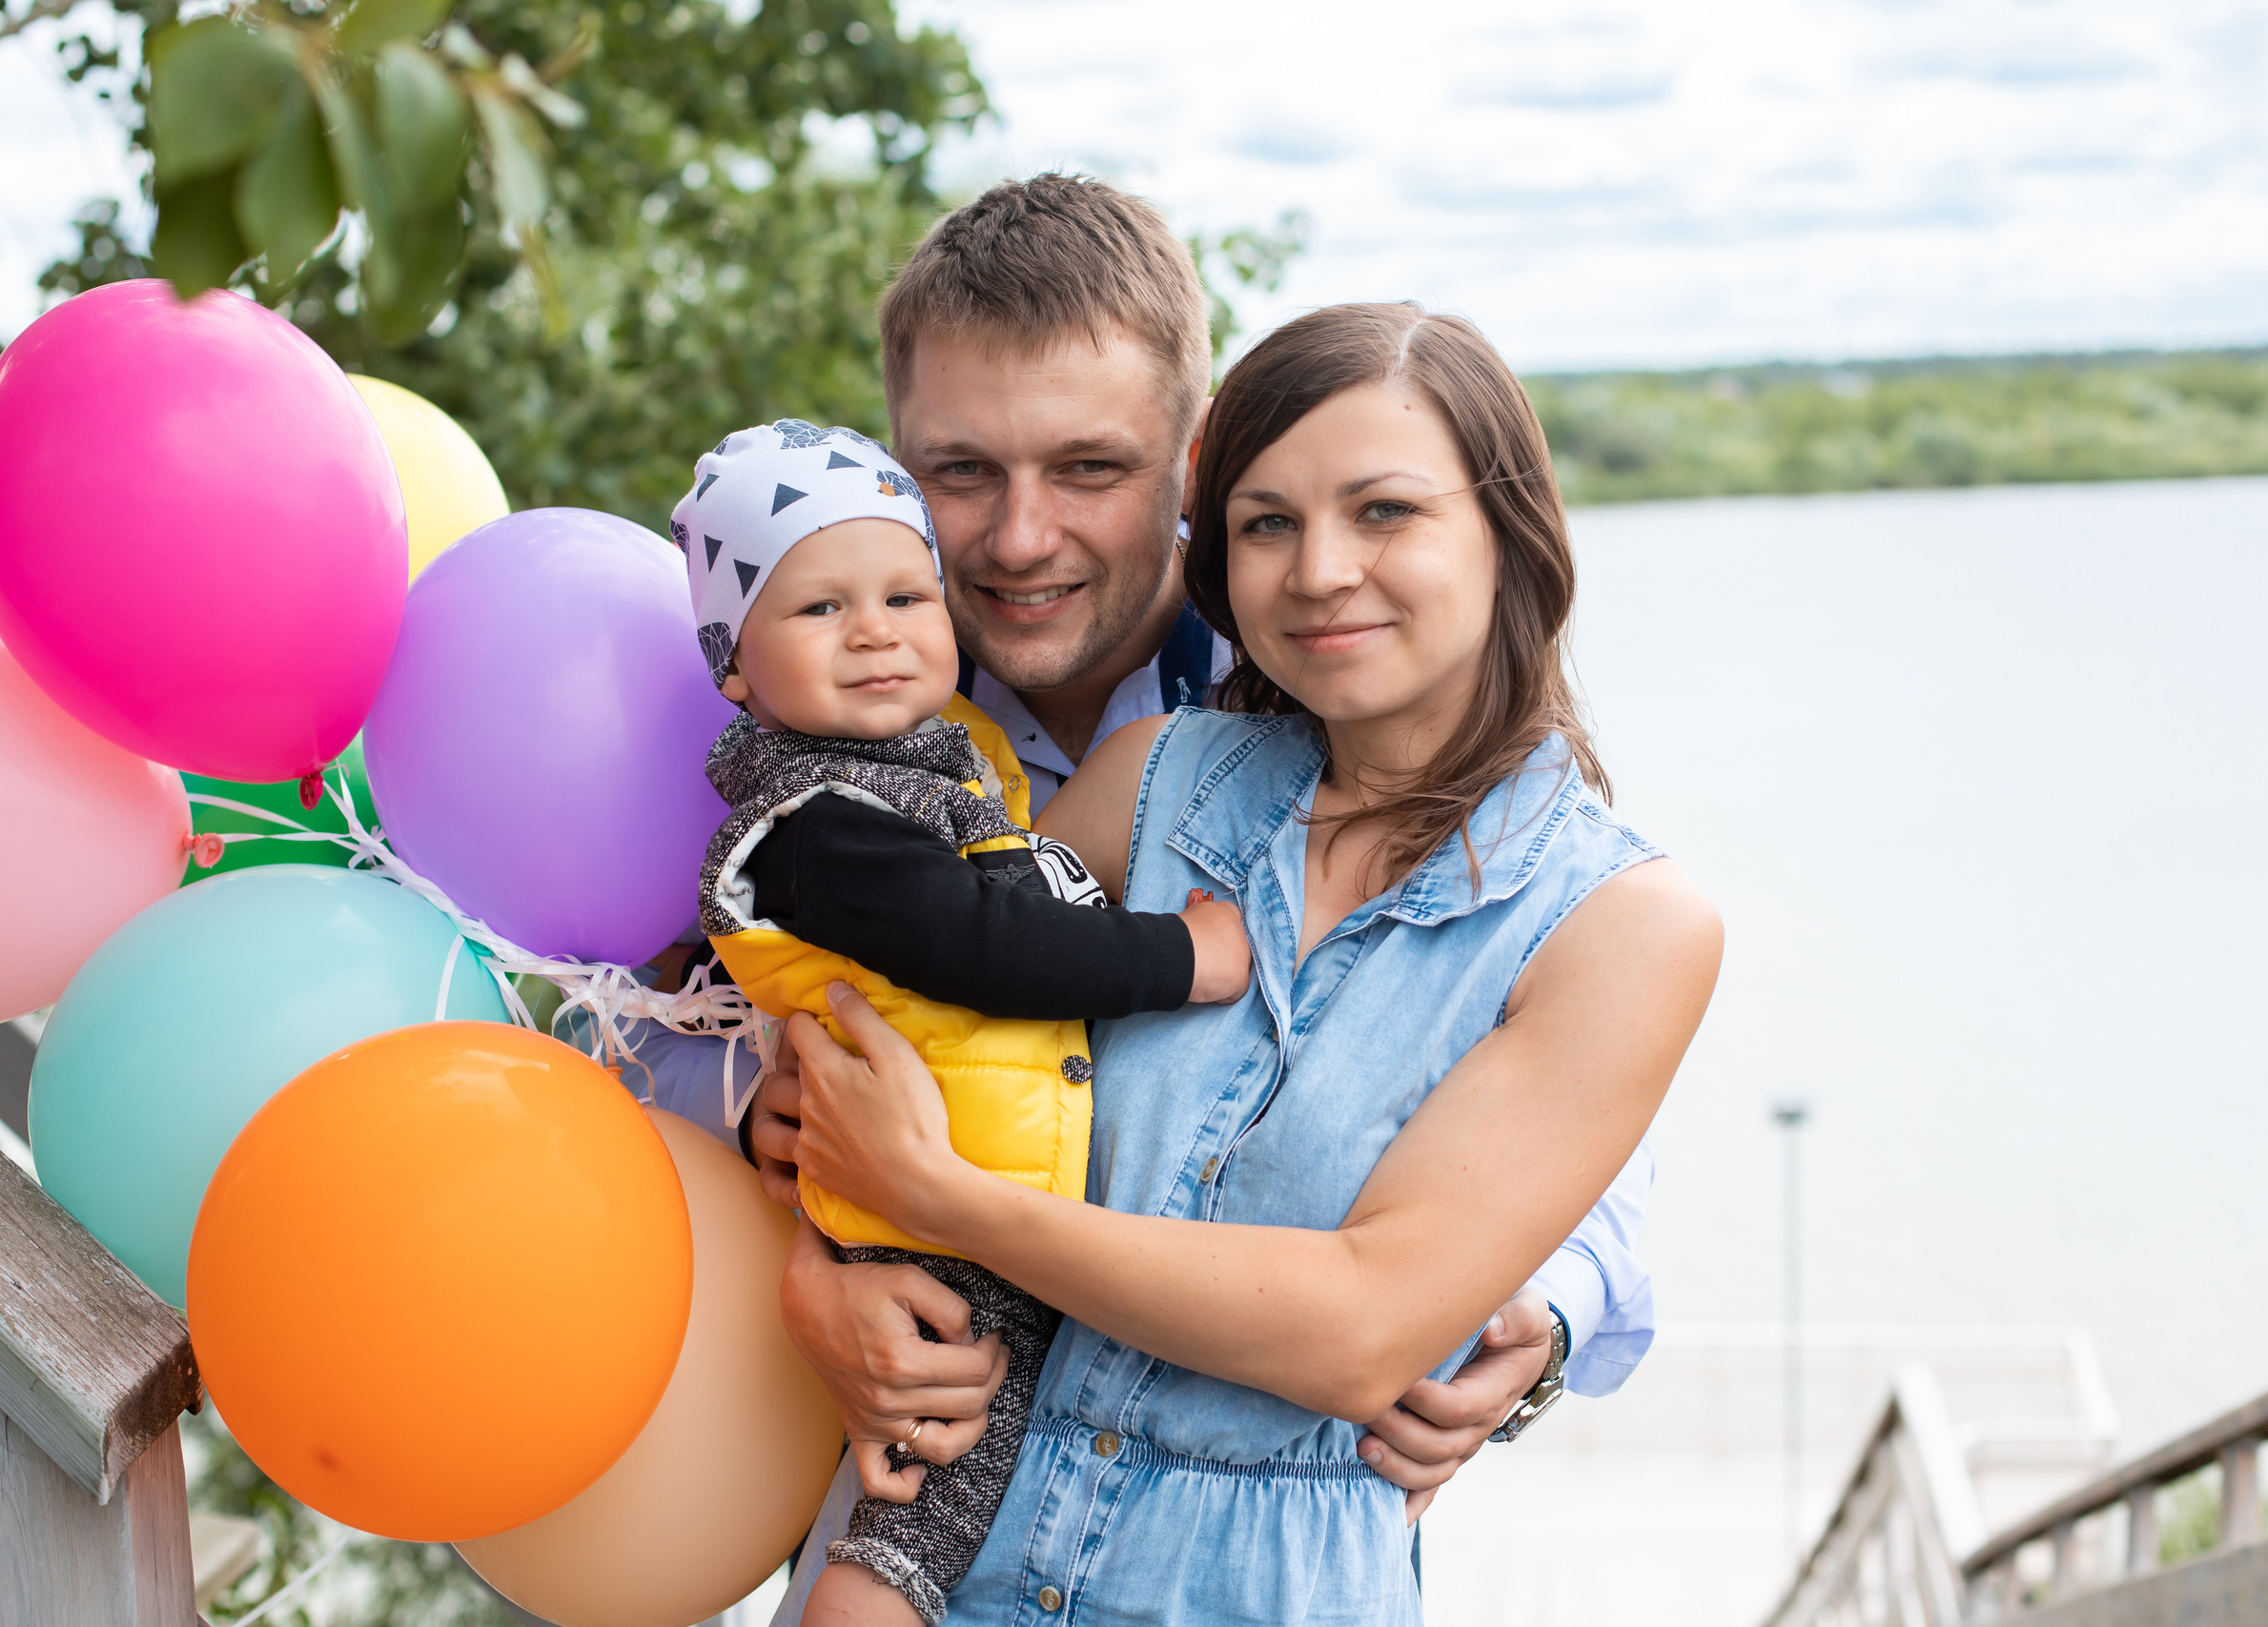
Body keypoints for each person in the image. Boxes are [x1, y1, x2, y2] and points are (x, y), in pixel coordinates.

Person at [611, 175, 1658, 1591]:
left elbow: (1511, 1030)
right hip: (912, 1488)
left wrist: (1545, 1295)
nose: (1019, 537)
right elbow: (622, 1019)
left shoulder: (1332, 693)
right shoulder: (806, 695)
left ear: (1194, 455)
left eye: (1090, 470)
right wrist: (781, 1189)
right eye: (961, 473)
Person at [674, 418, 1251, 1624]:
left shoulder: (937, 764)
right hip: (934, 1230)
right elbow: (987, 947)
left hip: (983, 1189)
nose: (876, 629)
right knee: (927, 1510)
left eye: (901, 594)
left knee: (941, 1499)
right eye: (819, 611)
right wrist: (1180, 955)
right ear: (735, 670)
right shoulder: (819, 821)